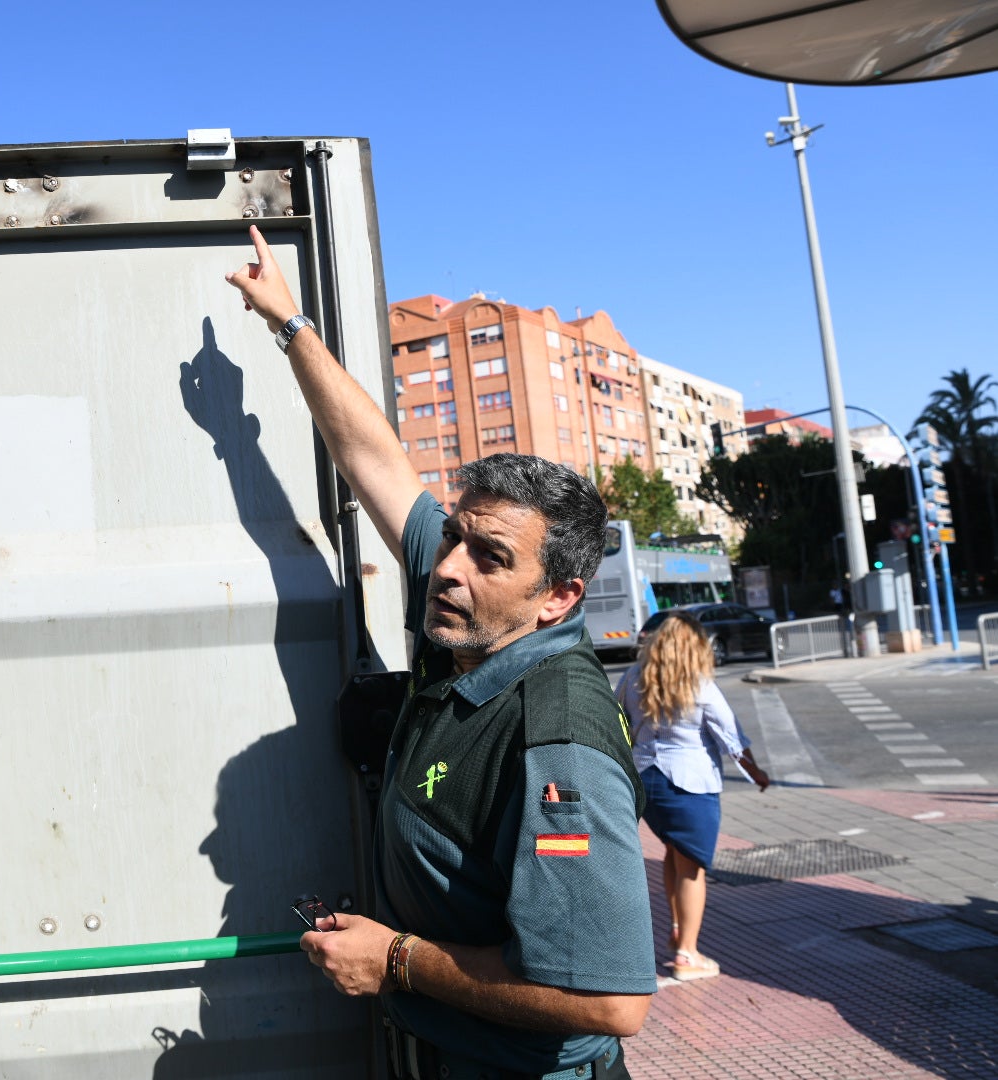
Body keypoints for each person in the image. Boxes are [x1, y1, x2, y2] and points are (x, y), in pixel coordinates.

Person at [225, 226, 654, 1080]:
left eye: (486, 556)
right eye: (453, 538)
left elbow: (610, 1003)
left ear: (558, 598)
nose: (446, 569)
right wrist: (287, 324)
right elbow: (374, 459)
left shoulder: (555, 739)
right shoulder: (474, 613)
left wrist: (396, 961)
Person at [615, 611, 770, 981]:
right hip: (690, 786)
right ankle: (688, 953)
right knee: (692, 869)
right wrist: (756, 773)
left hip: (647, 782)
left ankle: (677, 927)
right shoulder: (699, 685)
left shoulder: (635, 677)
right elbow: (732, 737)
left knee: (674, 853)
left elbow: (615, 720)